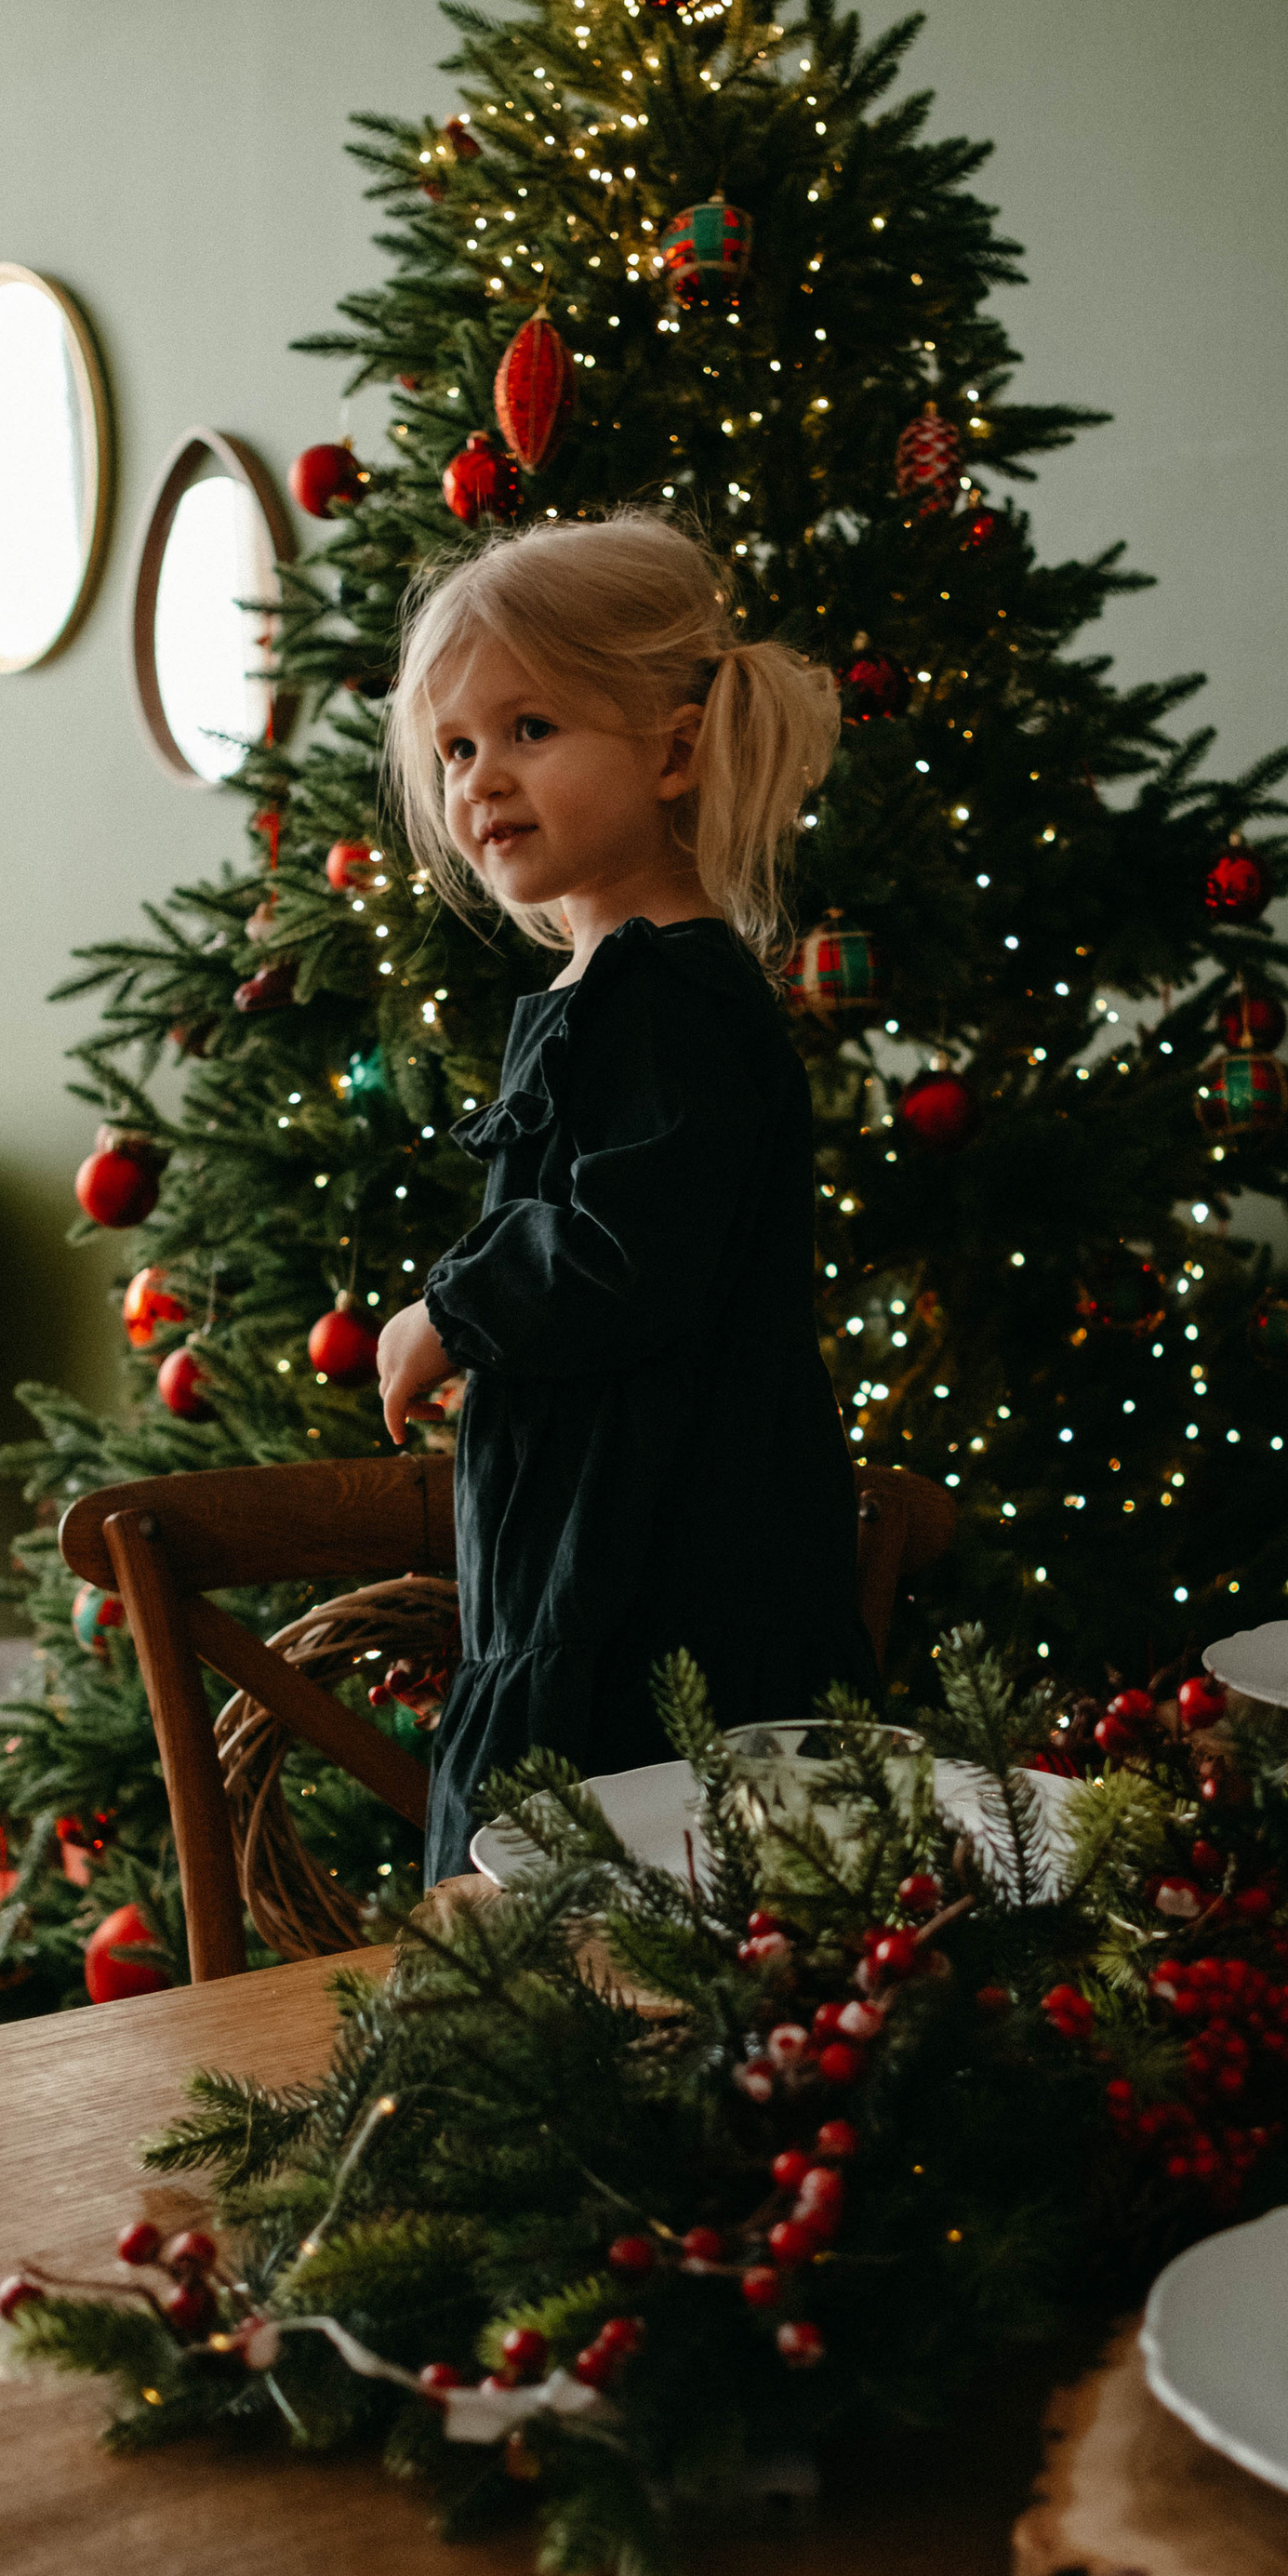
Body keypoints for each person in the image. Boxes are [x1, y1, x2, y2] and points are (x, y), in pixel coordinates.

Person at [375, 510, 878, 1890]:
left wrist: (452, 1312)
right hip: (584, 1550)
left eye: (531, 728)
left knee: (613, 1908)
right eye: (458, 747)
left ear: (672, 749)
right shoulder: (603, 991)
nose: (482, 780)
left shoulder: (671, 991)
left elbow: (625, 1253)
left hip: (665, 1577)